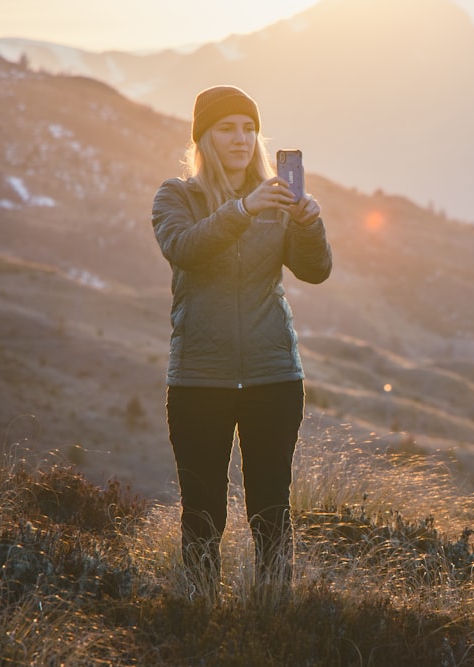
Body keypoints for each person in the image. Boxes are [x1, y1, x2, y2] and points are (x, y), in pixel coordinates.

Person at [151, 85, 332, 595]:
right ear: (203, 138)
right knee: (203, 512)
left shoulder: (277, 199)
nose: (241, 138)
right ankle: (198, 615)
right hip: (198, 380)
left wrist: (309, 224)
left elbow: (315, 271)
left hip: (273, 378)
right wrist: (245, 209)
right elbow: (184, 248)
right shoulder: (176, 196)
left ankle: (274, 615)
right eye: (227, 128)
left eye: (248, 128)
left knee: (272, 510)